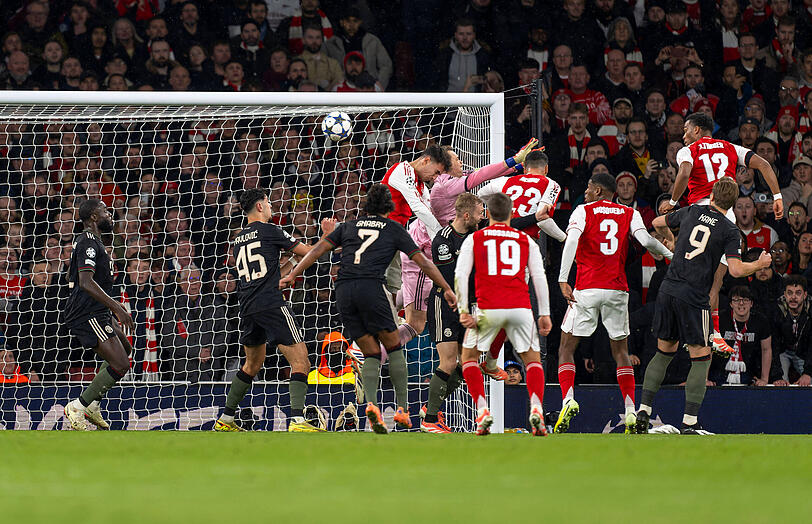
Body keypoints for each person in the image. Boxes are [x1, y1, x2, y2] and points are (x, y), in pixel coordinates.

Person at [280, 184, 457, 434]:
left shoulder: (348, 227)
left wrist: (292, 275)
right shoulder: (394, 228)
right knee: (394, 346)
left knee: (371, 351)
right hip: (371, 288)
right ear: (390, 207)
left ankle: (372, 406)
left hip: (343, 291)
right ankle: (403, 411)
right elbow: (422, 263)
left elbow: (318, 250)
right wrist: (446, 287)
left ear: (366, 206)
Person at [639, 177, 773, 434]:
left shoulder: (692, 211)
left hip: (668, 289)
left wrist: (672, 240)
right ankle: (689, 422)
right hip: (694, 296)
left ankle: (643, 411)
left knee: (664, 353)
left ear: (711, 196)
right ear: (733, 204)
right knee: (701, 358)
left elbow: (656, 222)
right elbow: (734, 270)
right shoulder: (729, 229)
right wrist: (759, 264)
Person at [556, 173, 673, 434]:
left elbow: (572, 240)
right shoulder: (628, 213)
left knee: (566, 347)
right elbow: (645, 241)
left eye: (588, 187)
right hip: (617, 290)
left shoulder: (582, 211)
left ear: (598, 191)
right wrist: (670, 255)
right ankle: (630, 410)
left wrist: (564, 279)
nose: (585, 192)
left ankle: (568, 399)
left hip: (586, 288)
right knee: (621, 352)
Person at [659, 112, 783, 355]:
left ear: (697, 130)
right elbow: (765, 165)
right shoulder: (730, 147)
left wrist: (673, 201)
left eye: (686, 129)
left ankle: (685, 329)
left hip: (698, 216)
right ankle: (713, 333)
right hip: (726, 219)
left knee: (683, 275)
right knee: (714, 284)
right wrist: (777, 197)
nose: (683, 135)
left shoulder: (689, 150)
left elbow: (683, 173)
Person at [213, 189, 336, 432]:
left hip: (248, 306)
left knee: (251, 365)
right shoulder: (270, 230)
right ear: (259, 206)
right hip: (271, 304)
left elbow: (261, 272)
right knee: (301, 361)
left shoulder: (238, 240)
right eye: (268, 203)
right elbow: (311, 252)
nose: (271, 208)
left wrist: (286, 275)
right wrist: (327, 236)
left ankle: (225, 419)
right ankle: (298, 420)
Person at [455, 193, 552, 436]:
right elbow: (539, 277)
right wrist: (545, 313)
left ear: (488, 214)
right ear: (511, 214)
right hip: (521, 308)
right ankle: (537, 410)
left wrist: (464, 310)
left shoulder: (475, 238)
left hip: (488, 309)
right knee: (532, 362)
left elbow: (461, 275)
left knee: (468, 359)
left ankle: (482, 411)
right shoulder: (525, 240)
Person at [62, 198, 135, 431]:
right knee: (120, 363)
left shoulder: (93, 243)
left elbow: (71, 277)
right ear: (93, 217)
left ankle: (93, 405)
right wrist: (117, 307)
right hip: (87, 312)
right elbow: (85, 281)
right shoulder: (89, 242)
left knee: (126, 349)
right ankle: (78, 406)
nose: (109, 214)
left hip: (97, 310)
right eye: (104, 210)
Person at [422, 193, 484, 433]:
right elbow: (448, 280)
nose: (483, 217)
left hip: (468, 306)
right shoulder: (443, 240)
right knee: (448, 361)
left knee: (468, 362)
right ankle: (429, 419)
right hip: (445, 305)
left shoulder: (477, 235)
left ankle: (431, 407)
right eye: (479, 213)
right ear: (466, 215)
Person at [714, 286, 775, 385]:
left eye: (745, 300)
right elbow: (709, 347)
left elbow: (766, 349)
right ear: (731, 304)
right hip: (719, 373)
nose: (741, 303)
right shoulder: (719, 320)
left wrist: (764, 379)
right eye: (736, 300)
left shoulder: (761, 321)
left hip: (749, 373)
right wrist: (704, 378)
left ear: (751, 303)